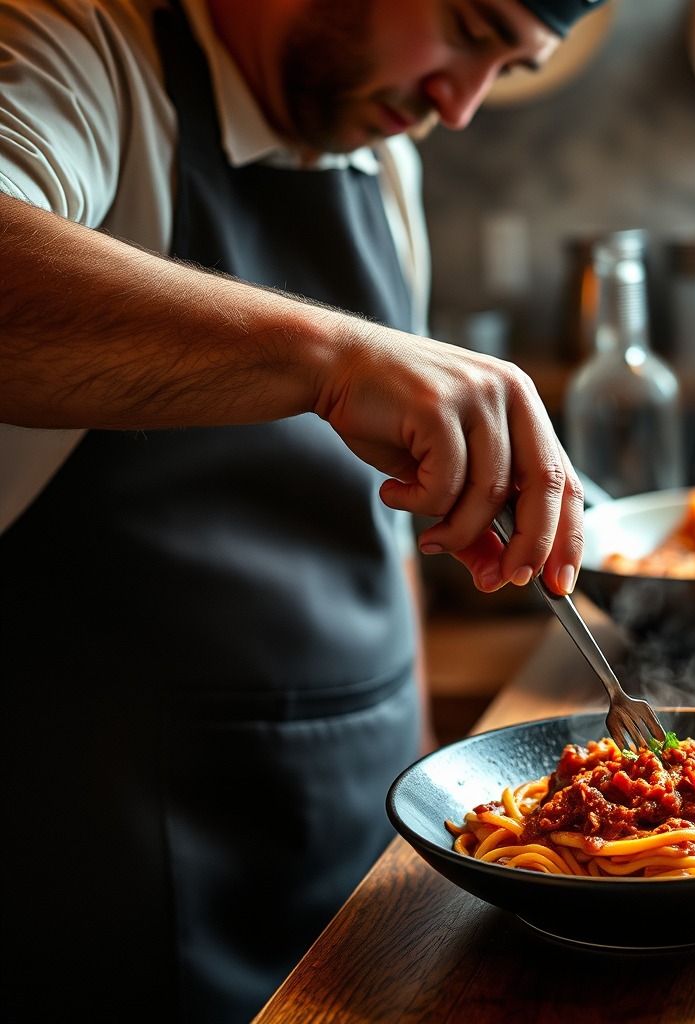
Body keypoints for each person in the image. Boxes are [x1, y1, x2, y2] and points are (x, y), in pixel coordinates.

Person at [0, 0, 606, 1020]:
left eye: (505, 68)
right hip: (106, 859)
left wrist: (422, 793)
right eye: (466, 26)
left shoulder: (383, 152)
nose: (457, 108)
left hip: (359, 831)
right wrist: (335, 357)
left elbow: (385, 525)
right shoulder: (72, 45)